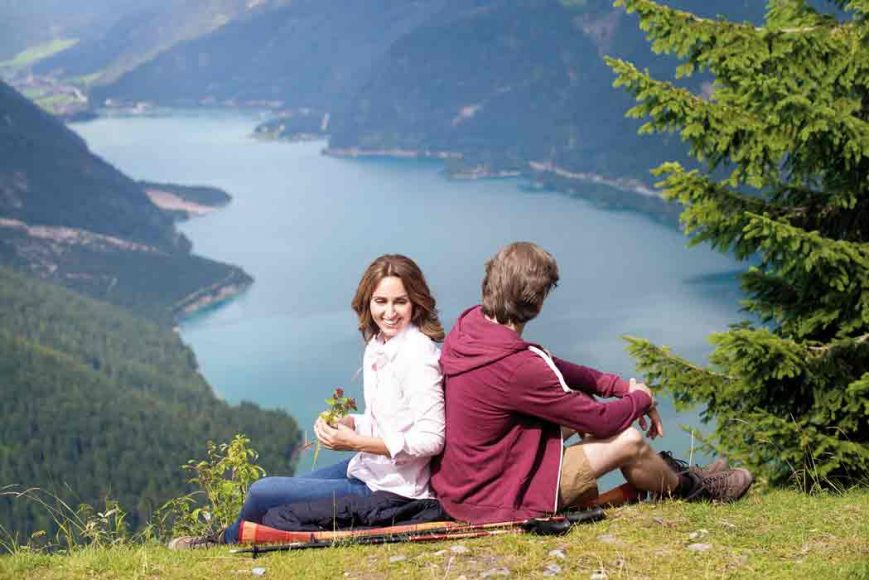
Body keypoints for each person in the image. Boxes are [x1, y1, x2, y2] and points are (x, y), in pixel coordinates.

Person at [430, 242, 753, 524]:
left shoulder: (471, 324)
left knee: (581, 399)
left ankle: (664, 473)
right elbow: (602, 420)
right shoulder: (518, 365)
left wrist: (619, 387)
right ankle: (695, 490)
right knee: (628, 440)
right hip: (496, 498)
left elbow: (549, 366)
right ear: (538, 300)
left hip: (471, 479)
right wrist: (641, 399)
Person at [169, 254, 446, 548]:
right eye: (381, 301)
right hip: (367, 469)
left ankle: (222, 541)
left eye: (399, 301)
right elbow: (395, 420)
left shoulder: (418, 356)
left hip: (394, 492)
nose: (389, 312)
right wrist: (351, 422)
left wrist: (355, 443)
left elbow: (431, 439)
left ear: (415, 302)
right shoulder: (379, 344)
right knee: (273, 495)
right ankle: (228, 536)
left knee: (263, 491)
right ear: (368, 302)